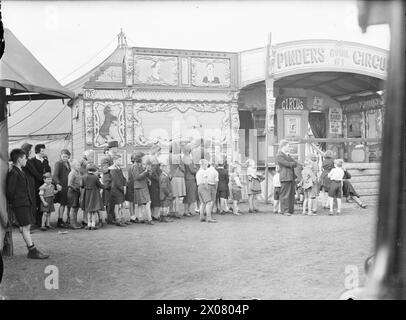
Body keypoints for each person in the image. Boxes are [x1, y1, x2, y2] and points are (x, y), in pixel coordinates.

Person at [6, 148, 49, 259]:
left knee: (26, 226)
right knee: (25, 227)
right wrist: (14, 202)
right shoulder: (14, 172)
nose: (26, 160)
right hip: (20, 203)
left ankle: (31, 249)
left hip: (24, 202)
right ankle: (32, 251)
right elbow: (10, 191)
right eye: (25, 158)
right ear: (20, 159)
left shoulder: (19, 171)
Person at [29, 144, 51, 227]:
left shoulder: (45, 160)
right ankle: (35, 222)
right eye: (42, 151)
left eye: (44, 151)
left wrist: (47, 180)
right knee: (37, 203)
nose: (43, 153)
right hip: (36, 185)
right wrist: (44, 179)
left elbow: (48, 170)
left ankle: (41, 222)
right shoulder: (32, 161)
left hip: (45, 185)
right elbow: (35, 173)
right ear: (37, 151)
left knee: (44, 202)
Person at [20, 143, 42, 228]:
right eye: (30, 150)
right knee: (31, 202)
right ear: (28, 151)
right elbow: (34, 172)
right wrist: (43, 179)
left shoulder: (21, 159)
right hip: (29, 183)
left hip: (25, 183)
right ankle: (29, 224)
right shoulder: (26, 160)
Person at [130, 152, 154, 225]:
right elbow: (136, 177)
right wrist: (146, 171)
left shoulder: (138, 165)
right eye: (143, 158)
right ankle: (149, 219)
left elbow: (142, 176)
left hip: (141, 186)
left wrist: (147, 177)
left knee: (142, 203)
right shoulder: (135, 166)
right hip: (140, 187)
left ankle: (141, 218)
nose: (144, 159)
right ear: (139, 159)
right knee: (147, 202)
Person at [276, 140, 298, 216]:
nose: (289, 148)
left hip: (290, 176)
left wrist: (291, 163)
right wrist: (291, 163)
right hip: (285, 176)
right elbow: (286, 163)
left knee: (291, 194)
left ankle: (290, 210)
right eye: (288, 146)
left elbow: (295, 163)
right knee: (285, 194)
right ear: (283, 146)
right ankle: (285, 211)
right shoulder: (280, 155)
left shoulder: (287, 155)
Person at [81, 164, 104, 230]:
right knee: (93, 211)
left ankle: (89, 224)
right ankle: (93, 225)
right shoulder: (95, 177)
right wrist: (105, 186)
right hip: (94, 194)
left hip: (87, 194)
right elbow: (99, 185)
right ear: (94, 170)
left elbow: (82, 185)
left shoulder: (84, 177)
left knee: (88, 211)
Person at [100, 141, 118, 224]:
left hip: (113, 182)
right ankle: (110, 218)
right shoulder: (106, 158)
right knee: (109, 202)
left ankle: (112, 217)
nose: (117, 149)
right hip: (108, 183)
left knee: (113, 201)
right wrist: (113, 166)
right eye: (115, 148)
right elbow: (104, 170)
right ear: (111, 148)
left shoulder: (113, 158)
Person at [53, 149, 72, 228]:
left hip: (68, 186)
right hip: (62, 186)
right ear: (60, 156)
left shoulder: (68, 163)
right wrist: (57, 184)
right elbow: (55, 175)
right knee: (63, 204)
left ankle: (68, 219)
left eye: (66, 157)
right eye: (63, 156)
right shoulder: (58, 163)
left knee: (68, 203)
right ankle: (59, 220)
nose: (65, 158)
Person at [109, 155, 127, 227]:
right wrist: (123, 188)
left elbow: (123, 178)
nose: (120, 161)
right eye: (118, 160)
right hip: (116, 190)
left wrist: (125, 185)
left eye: (120, 160)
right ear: (114, 161)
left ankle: (122, 219)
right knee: (117, 205)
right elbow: (116, 181)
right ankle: (118, 219)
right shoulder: (112, 169)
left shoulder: (119, 168)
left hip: (120, 189)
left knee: (122, 204)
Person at [182, 144, 198, 217]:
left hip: (187, 178)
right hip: (190, 178)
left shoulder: (184, 158)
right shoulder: (188, 158)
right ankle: (186, 211)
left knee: (188, 196)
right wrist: (197, 169)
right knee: (189, 196)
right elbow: (192, 170)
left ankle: (187, 210)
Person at [169, 150, 186, 218]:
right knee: (176, 196)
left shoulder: (169, 156)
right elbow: (182, 167)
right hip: (178, 176)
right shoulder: (177, 157)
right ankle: (176, 212)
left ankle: (171, 211)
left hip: (172, 176)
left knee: (173, 195)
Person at [67, 159, 82, 229]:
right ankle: (72, 224)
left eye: (79, 165)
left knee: (76, 208)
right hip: (72, 192)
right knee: (73, 208)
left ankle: (75, 223)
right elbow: (69, 184)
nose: (79, 166)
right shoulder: (72, 173)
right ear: (73, 166)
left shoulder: (77, 172)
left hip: (77, 192)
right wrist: (75, 188)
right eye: (77, 165)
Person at [125, 153, 137, 223]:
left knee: (132, 202)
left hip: (132, 185)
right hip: (131, 185)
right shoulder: (133, 167)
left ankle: (133, 216)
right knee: (131, 202)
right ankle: (132, 216)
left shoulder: (132, 166)